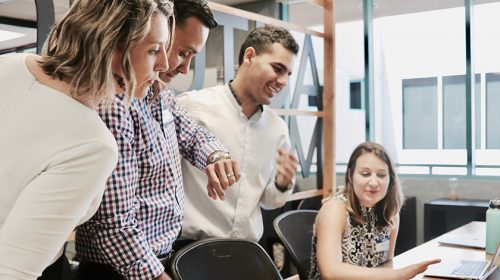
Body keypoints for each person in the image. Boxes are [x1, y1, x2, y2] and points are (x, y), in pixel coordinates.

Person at [0, 0, 170, 279]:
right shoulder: (92, 145)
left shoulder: (10, 65)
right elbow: (12, 271)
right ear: (110, 46)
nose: (164, 63)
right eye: (153, 50)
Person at [75, 1, 238, 280]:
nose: (183, 68)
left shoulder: (159, 94)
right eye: (182, 53)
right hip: (119, 271)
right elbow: (114, 224)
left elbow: (194, 135)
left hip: (157, 260)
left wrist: (216, 156)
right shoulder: (114, 105)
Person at [176, 25, 299, 243]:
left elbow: (269, 201)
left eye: (288, 74)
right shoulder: (193, 107)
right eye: (277, 68)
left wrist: (282, 182)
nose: (283, 81)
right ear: (249, 56)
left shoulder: (277, 128)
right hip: (191, 250)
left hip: (247, 251)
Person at [308, 141, 441, 280]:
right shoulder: (335, 209)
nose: (373, 182)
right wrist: (396, 275)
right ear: (350, 176)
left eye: (381, 175)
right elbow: (330, 272)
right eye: (365, 174)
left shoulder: (391, 214)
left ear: (390, 179)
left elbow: (386, 263)